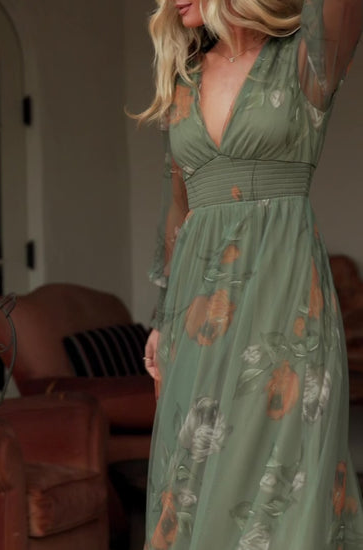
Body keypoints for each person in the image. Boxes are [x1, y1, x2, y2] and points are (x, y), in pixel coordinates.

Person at [138, 0, 363, 548]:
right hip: (197, 321)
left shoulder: (305, 58)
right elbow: (178, 209)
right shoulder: (184, 77)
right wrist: (163, 319)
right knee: (191, 489)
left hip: (285, 311)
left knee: (282, 491)